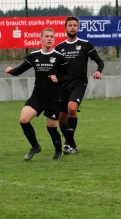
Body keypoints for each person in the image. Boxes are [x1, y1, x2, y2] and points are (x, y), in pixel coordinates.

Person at [5, 28, 70, 160]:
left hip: (54, 97)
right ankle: (35, 146)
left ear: (54, 39)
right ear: (41, 39)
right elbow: (19, 70)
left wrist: (58, 79)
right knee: (23, 119)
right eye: (46, 36)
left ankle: (58, 151)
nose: (49, 38)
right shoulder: (34, 56)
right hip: (38, 96)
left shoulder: (59, 57)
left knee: (51, 127)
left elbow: (68, 76)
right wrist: (11, 71)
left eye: (52, 36)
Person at [55, 16, 104, 154]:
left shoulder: (85, 44)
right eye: (69, 25)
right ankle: (72, 144)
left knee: (72, 108)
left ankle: (67, 144)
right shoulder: (60, 47)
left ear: (78, 28)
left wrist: (99, 71)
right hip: (63, 85)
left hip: (79, 83)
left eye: (75, 25)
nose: (72, 27)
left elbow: (100, 62)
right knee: (61, 118)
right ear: (65, 28)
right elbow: (56, 67)